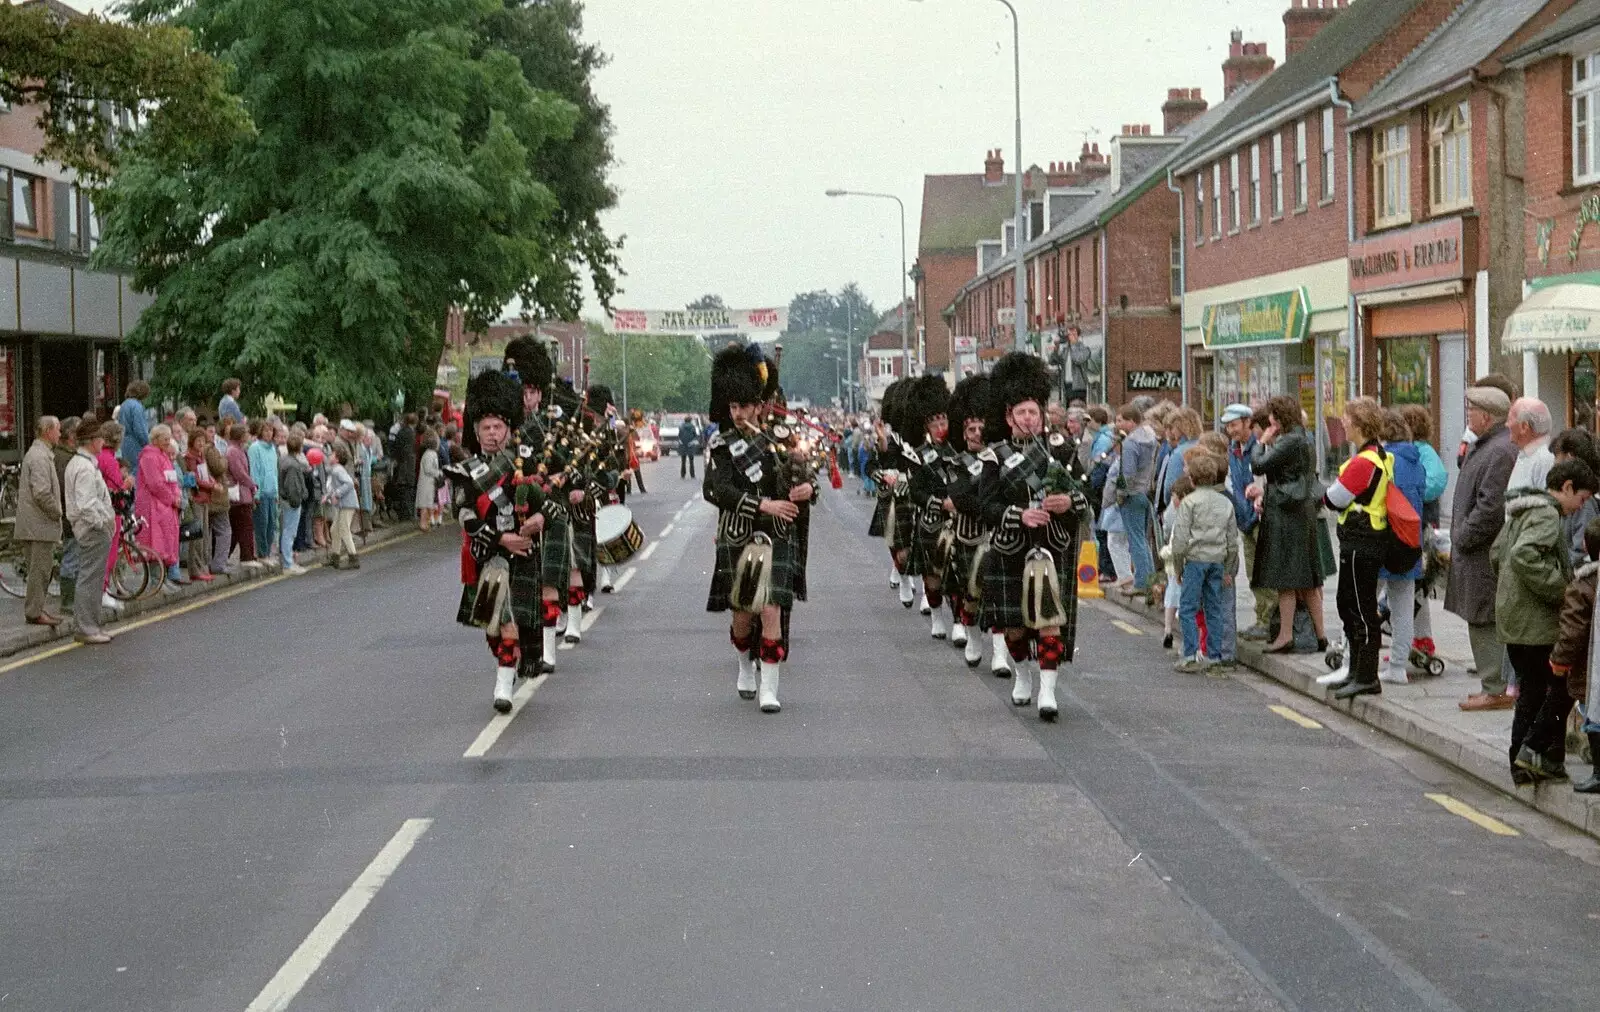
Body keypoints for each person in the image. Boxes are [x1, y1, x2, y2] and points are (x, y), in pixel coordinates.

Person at [977, 352, 1086, 721]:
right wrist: (1018, 514)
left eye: (1034, 412)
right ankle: (1022, 674)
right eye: (1021, 413)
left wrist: (1066, 501)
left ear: (1042, 415)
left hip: (1052, 547)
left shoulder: (1062, 451)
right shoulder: (994, 458)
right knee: (1015, 630)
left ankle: (1048, 692)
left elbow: (1088, 499)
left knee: (1050, 621)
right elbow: (985, 506)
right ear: (1009, 417)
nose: (1028, 418)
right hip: (1011, 548)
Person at [704, 343, 805, 713]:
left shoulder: (779, 442)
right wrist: (763, 503)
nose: (737, 413)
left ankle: (769, 689)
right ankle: (745, 663)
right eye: (732, 406)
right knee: (743, 613)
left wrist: (807, 488)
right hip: (738, 534)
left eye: (744, 406)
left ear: (759, 406)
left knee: (771, 609)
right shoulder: (721, 446)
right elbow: (718, 490)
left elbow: (802, 481)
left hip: (774, 535)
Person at [1495, 459, 1597, 782]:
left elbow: (1497, 554)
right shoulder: (1547, 514)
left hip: (1514, 617)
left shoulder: (1522, 510)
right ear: (1566, 488)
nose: (1578, 508)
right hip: (1534, 621)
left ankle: (1526, 761)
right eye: (1580, 499)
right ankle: (1527, 756)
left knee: (1531, 691)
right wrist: (1563, 588)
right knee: (1548, 690)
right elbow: (1523, 555)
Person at [451, 369, 547, 712]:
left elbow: (546, 504)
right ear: (476, 432)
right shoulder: (466, 472)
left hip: (523, 558)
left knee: (509, 622)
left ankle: (503, 686)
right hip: (488, 554)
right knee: (494, 629)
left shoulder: (525, 463)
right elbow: (464, 517)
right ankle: (507, 666)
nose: (492, 434)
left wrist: (540, 518)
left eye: (498, 427)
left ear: (508, 430)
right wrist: (502, 539)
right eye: (486, 428)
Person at [1446, 386, 1519, 711]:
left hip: (1483, 552)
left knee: (1484, 618)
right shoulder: (1489, 446)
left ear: (1487, 416)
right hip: (1476, 551)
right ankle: (1493, 685)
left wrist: (1463, 536)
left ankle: (1497, 688)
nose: (1467, 416)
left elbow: (1491, 508)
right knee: (1480, 617)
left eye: (1471, 410)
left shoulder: (1499, 450)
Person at [1321, 398, 1394, 698]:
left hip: (1361, 540)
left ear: (1361, 424)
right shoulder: (1377, 455)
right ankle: (1356, 672)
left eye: (1347, 419)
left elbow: (1333, 499)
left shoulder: (1363, 461)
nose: (1343, 423)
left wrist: (1327, 492)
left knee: (1359, 609)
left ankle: (1365, 676)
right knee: (1350, 604)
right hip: (1365, 538)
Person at [1252, 396, 1327, 652]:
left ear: (1278, 417)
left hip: (1285, 514)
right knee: (1307, 580)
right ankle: (1321, 635)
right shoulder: (1305, 438)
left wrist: (1261, 442)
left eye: (1272, 416)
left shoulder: (1288, 441)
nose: (1269, 421)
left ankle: (1285, 635)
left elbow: (1259, 465)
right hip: (1302, 510)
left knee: (1286, 578)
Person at [945, 374, 1002, 670]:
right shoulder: (956, 463)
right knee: (972, 591)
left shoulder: (999, 459)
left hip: (998, 534)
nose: (977, 433)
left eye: (982, 428)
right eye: (972, 429)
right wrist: (989, 502)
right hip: (969, 535)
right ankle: (974, 638)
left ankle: (1001, 655)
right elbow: (962, 498)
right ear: (964, 432)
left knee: (999, 594)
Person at [1170, 451, 1238, 673]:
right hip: (1217, 560)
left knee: (1188, 608)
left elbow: (1180, 540)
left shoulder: (1189, 503)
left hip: (1195, 559)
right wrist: (1229, 568)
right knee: (1214, 608)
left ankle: (1190, 654)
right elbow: (1232, 541)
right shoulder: (1225, 503)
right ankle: (1214, 656)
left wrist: (1178, 567)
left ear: (1191, 479)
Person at [902, 375, 957, 641]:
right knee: (933, 575)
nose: (939, 427)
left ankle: (960, 620)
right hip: (932, 519)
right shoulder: (919, 455)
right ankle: (937, 618)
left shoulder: (960, 450)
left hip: (959, 519)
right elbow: (917, 492)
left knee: (960, 572)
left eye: (943, 421)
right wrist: (940, 503)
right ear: (926, 427)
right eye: (934, 423)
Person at [1376, 408, 1426, 685]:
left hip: (1385, 537)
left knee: (1363, 599)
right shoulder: (1416, 461)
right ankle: (1397, 666)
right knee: (1403, 607)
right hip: (1410, 539)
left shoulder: (1386, 460)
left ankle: (1354, 658)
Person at [1550, 517, 1600, 793]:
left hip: (1589, 669)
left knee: (1593, 716)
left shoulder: (1583, 586)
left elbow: (1572, 632)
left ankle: (1599, 773)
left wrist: (1559, 660)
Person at [1398, 404, 1448, 664]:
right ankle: (1415, 637)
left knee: (1414, 585)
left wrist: (1413, 493)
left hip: (1420, 525)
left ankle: (1419, 637)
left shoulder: (1423, 452)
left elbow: (1437, 481)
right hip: (1415, 522)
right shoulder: (1415, 450)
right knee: (1413, 586)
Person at [1220, 404, 1272, 639]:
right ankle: (1261, 618)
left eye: (1234, 425)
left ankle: (1268, 620)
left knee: (1263, 572)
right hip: (1244, 517)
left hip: (1260, 515)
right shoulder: (1233, 449)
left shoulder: (1259, 448)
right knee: (1252, 573)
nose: (1231, 430)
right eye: (1228, 426)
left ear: (1247, 423)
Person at [64, 421, 115, 645]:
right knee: (90, 579)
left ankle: (90, 625)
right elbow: (86, 504)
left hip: (89, 528)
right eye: (101, 439)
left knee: (91, 578)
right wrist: (102, 522)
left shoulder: (82, 463)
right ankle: (86, 627)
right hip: (92, 529)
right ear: (93, 441)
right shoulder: (84, 468)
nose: (103, 443)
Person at [17, 416, 63, 627]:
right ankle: (34, 612)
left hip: (36, 524)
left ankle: (37, 609)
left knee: (41, 570)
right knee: (40, 571)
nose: (60, 434)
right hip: (39, 525)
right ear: (47, 431)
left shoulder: (40, 454)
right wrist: (58, 512)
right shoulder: (39, 457)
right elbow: (42, 492)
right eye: (58, 430)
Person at [1114, 403, 1158, 593]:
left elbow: (1128, 474)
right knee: (1142, 539)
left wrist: (1120, 494)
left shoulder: (1131, 443)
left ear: (1132, 422)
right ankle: (1149, 579)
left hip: (1132, 495)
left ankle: (1141, 582)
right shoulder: (1151, 439)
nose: (1118, 424)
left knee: (1136, 540)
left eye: (1121, 420)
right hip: (1145, 491)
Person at [134, 425, 185, 588]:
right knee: (155, 543)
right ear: (155, 439)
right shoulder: (149, 457)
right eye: (165, 439)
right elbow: (155, 483)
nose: (168, 442)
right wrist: (172, 498)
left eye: (169, 438)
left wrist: (176, 496)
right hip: (153, 506)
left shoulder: (163, 456)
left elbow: (172, 479)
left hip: (165, 506)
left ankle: (163, 579)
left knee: (166, 542)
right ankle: (156, 581)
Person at [183, 430, 218, 583]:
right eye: (198, 441)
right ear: (192, 441)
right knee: (196, 535)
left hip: (205, 498)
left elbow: (206, 474)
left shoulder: (201, 456)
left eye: (203, 440)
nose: (201, 444)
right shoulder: (190, 457)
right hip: (197, 498)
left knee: (204, 534)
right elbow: (195, 478)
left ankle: (202, 567)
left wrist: (213, 483)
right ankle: (195, 569)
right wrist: (211, 485)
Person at [226, 422, 259, 569]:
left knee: (242, 527)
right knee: (243, 526)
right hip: (238, 495)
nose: (247, 436)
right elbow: (239, 472)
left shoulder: (239, 449)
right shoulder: (233, 451)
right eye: (245, 433)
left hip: (244, 494)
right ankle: (246, 556)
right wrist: (252, 484)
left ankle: (246, 554)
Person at [278, 432, 312, 574]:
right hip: (291, 502)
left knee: (287, 531)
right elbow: (292, 487)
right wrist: (297, 500)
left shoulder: (283, 460)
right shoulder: (292, 465)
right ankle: (287, 564)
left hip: (285, 500)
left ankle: (288, 560)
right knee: (289, 532)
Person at [1506, 397, 1555, 491]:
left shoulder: (1544, 460)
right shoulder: (1526, 454)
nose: (1507, 424)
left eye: (1510, 419)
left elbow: (1548, 502)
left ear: (1524, 427)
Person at [323, 444, 360, 569]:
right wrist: (328, 496)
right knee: (334, 529)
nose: (329, 455)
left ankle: (353, 557)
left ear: (337, 459)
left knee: (344, 529)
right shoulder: (335, 469)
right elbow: (334, 486)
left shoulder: (337, 469)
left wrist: (337, 495)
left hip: (347, 504)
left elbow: (349, 483)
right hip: (343, 504)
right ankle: (335, 556)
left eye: (332, 454)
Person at [249, 420, 280, 565]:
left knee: (272, 525)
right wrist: (256, 493)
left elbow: (274, 472)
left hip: (271, 491)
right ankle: (262, 554)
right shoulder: (254, 448)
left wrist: (276, 492)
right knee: (262, 524)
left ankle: (267, 552)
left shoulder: (273, 448)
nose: (268, 433)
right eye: (265, 430)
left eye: (270, 431)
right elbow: (254, 471)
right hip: (261, 493)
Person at [117, 380, 151, 473]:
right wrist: (147, 443)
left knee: (128, 469)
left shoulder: (124, 404)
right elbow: (140, 430)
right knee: (138, 470)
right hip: (135, 444)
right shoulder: (137, 406)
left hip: (124, 442)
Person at [416, 432, 442, 531]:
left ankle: (425, 523)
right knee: (425, 504)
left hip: (427, 482)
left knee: (426, 504)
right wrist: (438, 472)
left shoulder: (428, 453)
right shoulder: (431, 454)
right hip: (428, 483)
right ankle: (423, 524)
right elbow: (428, 469)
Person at [679, 414, 701, 479]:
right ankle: (692, 474)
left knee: (683, 461)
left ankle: (683, 474)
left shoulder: (681, 427)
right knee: (691, 461)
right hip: (690, 446)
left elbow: (679, 436)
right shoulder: (693, 427)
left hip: (683, 445)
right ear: (691, 420)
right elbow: (695, 436)